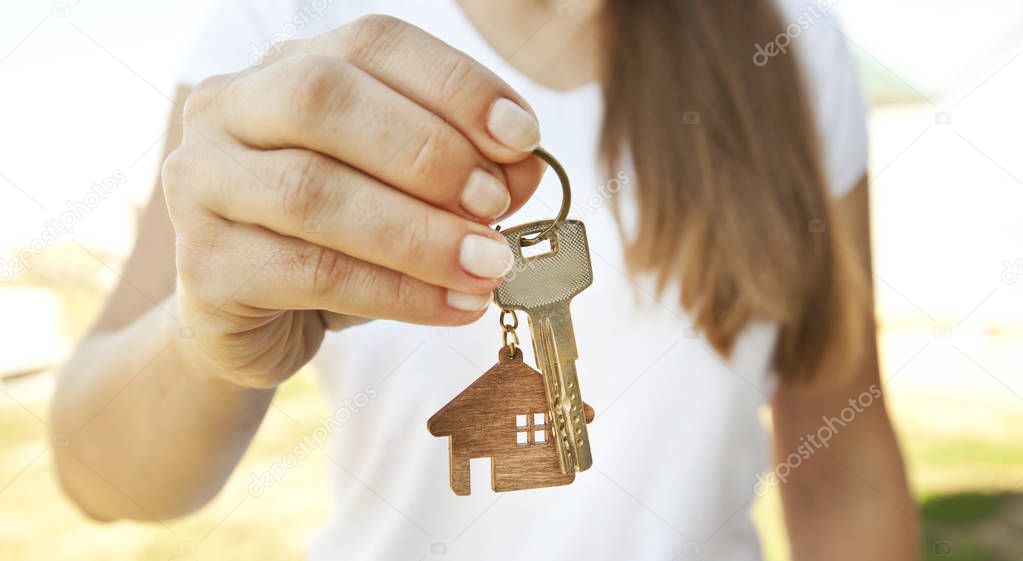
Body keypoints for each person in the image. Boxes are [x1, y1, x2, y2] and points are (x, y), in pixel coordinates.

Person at [51, 0, 920, 559]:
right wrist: (207, 347)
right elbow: (99, 474)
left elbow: (838, 464)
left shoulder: (788, 42)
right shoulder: (283, 30)